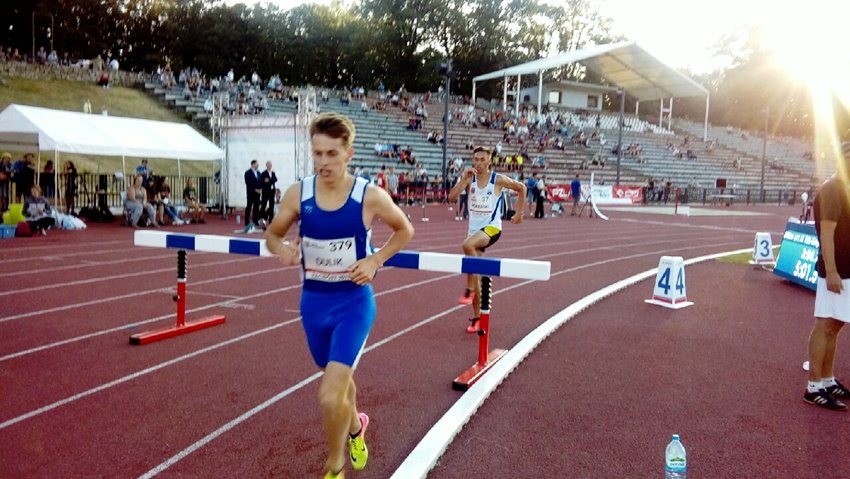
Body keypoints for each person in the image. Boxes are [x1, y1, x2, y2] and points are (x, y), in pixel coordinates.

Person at [265, 112, 414, 479]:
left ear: (349, 153)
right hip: (313, 304)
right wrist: (281, 248)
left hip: (353, 305)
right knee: (339, 382)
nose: (323, 162)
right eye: (317, 153)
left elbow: (404, 230)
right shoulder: (299, 194)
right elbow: (272, 234)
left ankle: (335, 467)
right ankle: (357, 426)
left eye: (332, 153)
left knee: (330, 395)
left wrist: (376, 260)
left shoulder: (369, 196)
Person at [448, 146, 526, 333]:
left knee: (467, 246)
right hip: (475, 232)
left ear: (489, 161)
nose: (479, 163)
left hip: (492, 228)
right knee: (476, 272)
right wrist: (463, 179)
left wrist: (519, 213)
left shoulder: (497, 179)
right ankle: (477, 318)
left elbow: (521, 188)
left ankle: (469, 289)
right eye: (476, 159)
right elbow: (451, 198)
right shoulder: (470, 178)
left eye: (482, 159)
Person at [805, 142, 850, 411]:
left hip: (847, 270)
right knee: (825, 324)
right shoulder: (833, 189)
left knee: (835, 325)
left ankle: (827, 380)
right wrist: (831, 271)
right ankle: (813, 387)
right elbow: (827, 233)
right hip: (837, 270)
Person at [243, 159, 262, 232]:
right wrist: (254, 189)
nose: (258, 165)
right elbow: (248, 182)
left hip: (257, 193)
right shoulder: (248, 173)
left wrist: (260, 189)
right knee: (249, 207)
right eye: (257, 164)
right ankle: (246, 221)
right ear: (253, 164)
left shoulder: (259, 173)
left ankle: (255, 221)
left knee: (256, 207)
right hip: (251, 193)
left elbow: (260, 182)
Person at [260, 161, 278, 226]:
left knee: (271, 205)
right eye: (269, 165)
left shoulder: (273, 173)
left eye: (270, 165)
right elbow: (263, 181)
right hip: (265, 192)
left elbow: (275, 179)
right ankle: (262, 218)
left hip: (272, 191)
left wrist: (269, 180)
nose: (270, 166)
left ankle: (271, 219)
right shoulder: (263, 173)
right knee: (263, 205)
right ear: (266, 165)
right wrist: (270, 181)